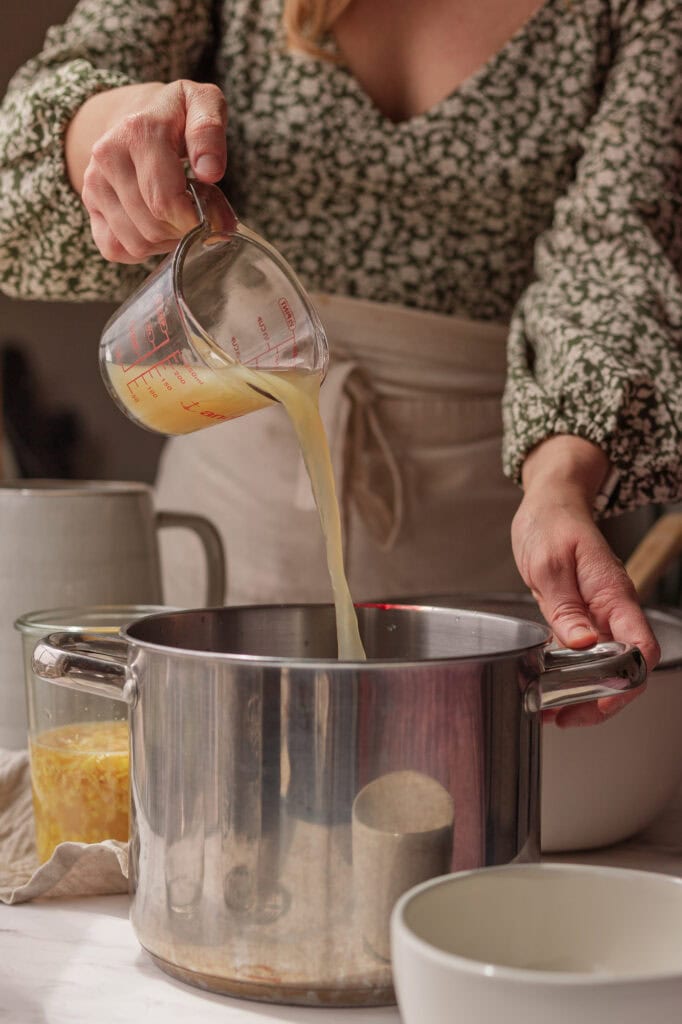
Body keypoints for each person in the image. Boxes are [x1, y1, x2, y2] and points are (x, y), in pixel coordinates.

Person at [0, 0, 679, 728]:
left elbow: (612, 257)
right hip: (233, 516)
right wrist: (116, 125)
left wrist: (559, 486)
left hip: (502, 529)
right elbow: (27, 141)